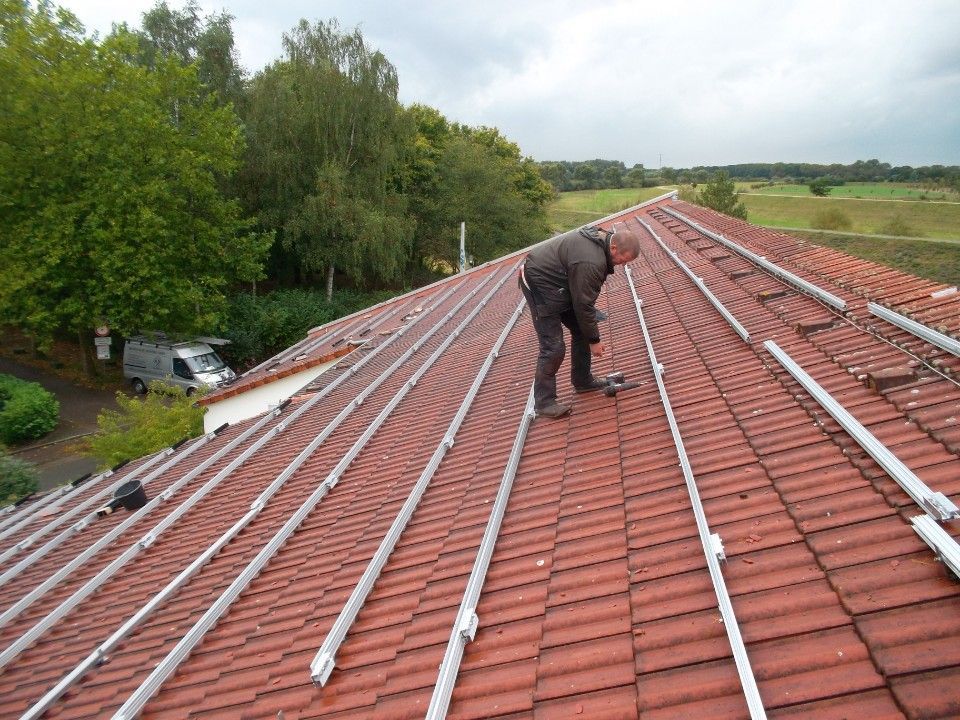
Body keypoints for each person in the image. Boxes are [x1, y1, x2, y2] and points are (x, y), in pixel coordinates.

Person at [519, 223, 641, 418]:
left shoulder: (601, 245)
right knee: (554, 346)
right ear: (614, 248)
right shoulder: (591, 262)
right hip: (538, 279)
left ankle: (582, 380)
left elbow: (582, 304)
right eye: (622, 259)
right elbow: (583, 305)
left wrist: (590, 333)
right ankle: (544, 403)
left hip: (559, 280)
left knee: (581, 328)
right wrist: (595, 341)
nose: (621, 264)